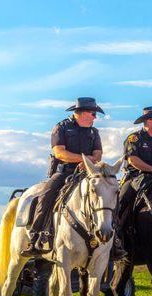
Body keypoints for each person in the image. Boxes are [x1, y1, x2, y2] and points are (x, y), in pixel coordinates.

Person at [22, 97, 104, 256]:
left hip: (87, 172)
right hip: (64, 171)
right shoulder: (62, 127)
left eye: (95, 114)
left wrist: (89, 162)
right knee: (46, 195)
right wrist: (83, 159)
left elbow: (98, 154)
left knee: (109, 194)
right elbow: (59, 152)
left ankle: (114, 241)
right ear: (81, 113)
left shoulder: (94, 132)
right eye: (93, 114)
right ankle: (36, 236)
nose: (95, 117)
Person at [118, 106, 152, 239]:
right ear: (149, 121)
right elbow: (132, 159)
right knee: (121, 202)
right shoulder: (134, 138)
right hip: (135, 178)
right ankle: (116, 236)